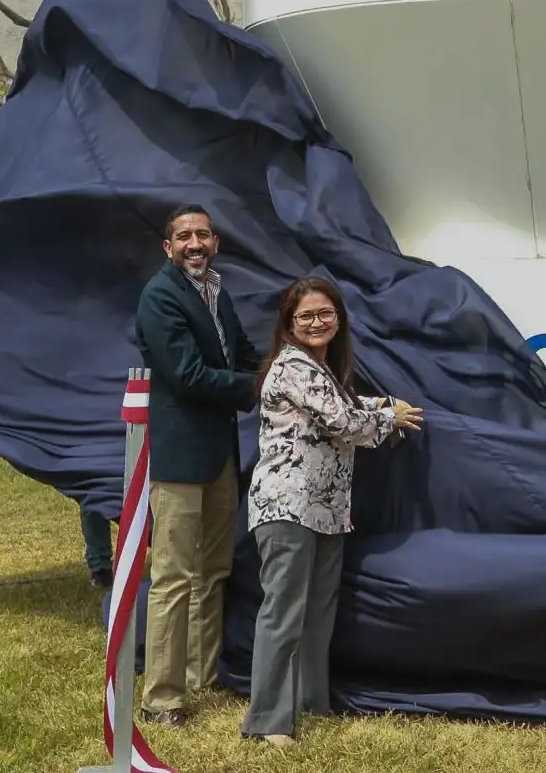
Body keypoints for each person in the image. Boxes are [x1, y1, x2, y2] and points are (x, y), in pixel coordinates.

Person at [241, 276, 423, 748]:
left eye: (326, 313)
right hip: (287, 505)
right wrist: (390, 417)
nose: (317, 322)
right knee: (284, 613)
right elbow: (343, 421)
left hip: (326, 508)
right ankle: (268, 721)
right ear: (289, 323)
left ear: (339, 319)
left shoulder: (320, 371)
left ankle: (309, 703)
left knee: (318, 612)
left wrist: (383, 405)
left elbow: (344, 402)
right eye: (306, 315)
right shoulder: (292, 366)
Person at [134, 204, 264, 726]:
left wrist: (291, 364)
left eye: (203, 234)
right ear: (168, 247)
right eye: (185, 235)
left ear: (216, 243)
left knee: (213, 572)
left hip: (220, 456)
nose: (195, 243)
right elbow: (188, 375)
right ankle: (161, 699)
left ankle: (200, 678)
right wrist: (259, 388)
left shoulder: (216, 291)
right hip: (180, 459)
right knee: (172, 577)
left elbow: (242, 352)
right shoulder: (160, 296)